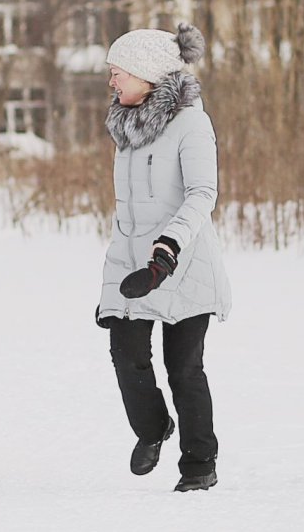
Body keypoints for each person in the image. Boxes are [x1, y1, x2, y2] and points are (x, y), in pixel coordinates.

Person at [96, 24, 232, 493]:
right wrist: (110, 285)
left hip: (183, 261)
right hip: (134, 267)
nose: (112, 81)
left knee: (184, 368)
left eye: (118, 72)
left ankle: (199, 465)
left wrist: (167, 248)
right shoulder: (126, 127)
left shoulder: (191, 123)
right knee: (125, 354)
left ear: (148, 73)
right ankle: (153, 429)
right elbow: (127, 212)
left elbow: (201, 193)